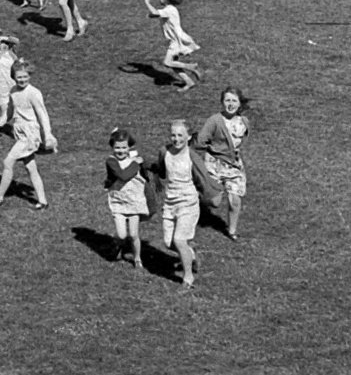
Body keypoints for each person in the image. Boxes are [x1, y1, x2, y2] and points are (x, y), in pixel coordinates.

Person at [144, 119, 216, 287]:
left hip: (188, 203)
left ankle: (188, 277)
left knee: (179, 240)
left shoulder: (192, 156)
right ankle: (191, 254)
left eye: (180, 135)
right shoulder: (165, 152)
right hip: (170, 203)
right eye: (173, 135)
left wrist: (212, 195)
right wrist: (148, 167)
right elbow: (161, 171)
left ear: (188, 137)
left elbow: (203, 179)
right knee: (169, 243)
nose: (176, 139)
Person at [0, 60, 57, 210]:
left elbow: (43, 115)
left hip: (30, 134)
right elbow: (8, 112)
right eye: (19, 77)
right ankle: (43, 201)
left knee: (8, 162)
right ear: (13, 77)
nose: (22, 80)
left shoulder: (33, 93)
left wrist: (48, 135)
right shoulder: (13, 91)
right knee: (30, 167)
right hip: (20, 132)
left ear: (30, 76)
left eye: (25, 76)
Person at [195, 88, 251, 241]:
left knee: (235, 200)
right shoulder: (215, 120)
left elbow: (240, 142)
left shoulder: (244, 122)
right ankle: (199, 198)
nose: (230, 104)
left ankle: (232, 231)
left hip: (234, 166)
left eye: (234, 101)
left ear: (239, 104)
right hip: (215, 164)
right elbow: (201, 140)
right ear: (222, 102)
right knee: (214, 202)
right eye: (227, 100)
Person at [104, 128, 149, 267]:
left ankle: (137, 258)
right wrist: (136, 163)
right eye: (117, 147)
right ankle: (116, 242)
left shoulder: (133, 159)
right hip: (118, 201)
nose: (121, 151)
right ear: (112, 147)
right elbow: (123, 175)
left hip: (133, 201)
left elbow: (145, 177)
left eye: (124, 147)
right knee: (122, 234)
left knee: (134, 234)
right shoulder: (111, 161)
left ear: (129, 147)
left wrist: (143, 165)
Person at [145, 0, 201, 91]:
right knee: (174, 65)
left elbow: (155, 12)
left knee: (167, 62)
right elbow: (156, 15)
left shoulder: (169, 10)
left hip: (176, 41)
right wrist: (151, 15)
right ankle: (189, 82)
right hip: (176, 39)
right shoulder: (170, 9)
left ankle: (190, 67)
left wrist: (147, 3)